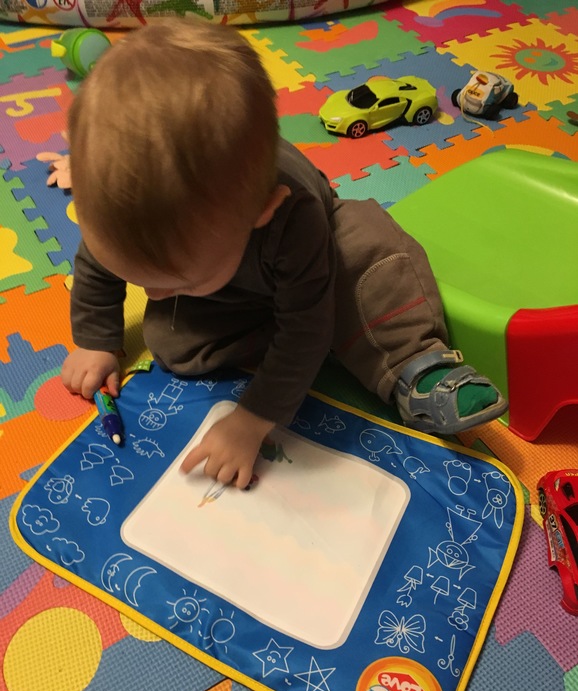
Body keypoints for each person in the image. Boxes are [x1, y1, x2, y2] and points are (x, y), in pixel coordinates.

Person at [61, 19, 507, 490]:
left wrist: (252, 419)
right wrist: (97, 340)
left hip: (317, 258)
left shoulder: (296, 217)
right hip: (237, 282)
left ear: (262, 211)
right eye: (142, 277)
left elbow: (306, 327)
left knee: (365, 249)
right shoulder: (128, 214)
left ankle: (413, 361)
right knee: (171, 344)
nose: (151, 294)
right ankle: (302, 340)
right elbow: (95, 265)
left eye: (175, 282)